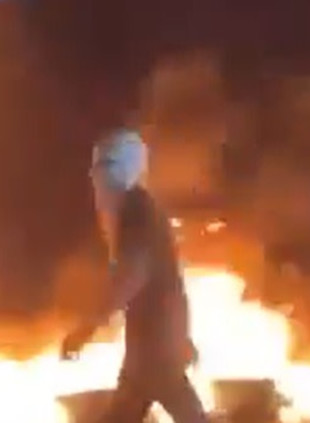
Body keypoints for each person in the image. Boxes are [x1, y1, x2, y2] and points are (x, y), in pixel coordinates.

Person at [60, 128, 208, 423]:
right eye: (98, 172)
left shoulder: (136, 211)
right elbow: (163, 279)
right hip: (153, 345)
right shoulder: (139, 209)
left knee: (163, 407)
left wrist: (86, 329)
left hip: (154, 347)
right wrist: (181, 336)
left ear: (127, 170)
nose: (101, 181)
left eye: (108, 170)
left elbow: (132, 275)